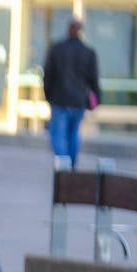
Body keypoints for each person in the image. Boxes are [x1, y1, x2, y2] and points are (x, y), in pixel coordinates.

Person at [41, 18, 101, 169]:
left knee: (58, 134)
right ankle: (71, 166)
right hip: (78, 101)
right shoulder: (88, 52)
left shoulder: (57, 49)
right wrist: (96, 98)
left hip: (60, 99)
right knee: (73, 134)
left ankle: (64, 166)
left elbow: (48, 75)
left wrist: (48, 95)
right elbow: (93, 80)